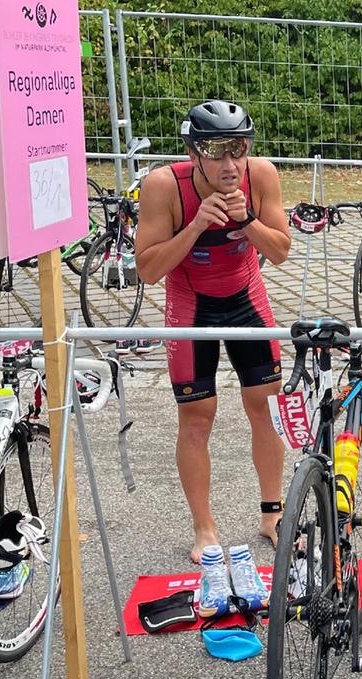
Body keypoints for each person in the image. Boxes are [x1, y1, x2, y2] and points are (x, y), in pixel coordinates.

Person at [133, 100, 288, 614]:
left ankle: (272, 512)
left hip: (246, 298)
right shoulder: (163, 186)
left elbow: (282, 249)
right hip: (190, 303)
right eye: (215, 151)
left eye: (238, 149)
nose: (229, 164)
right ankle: (204, 526)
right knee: (197, 418)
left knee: (264, 408)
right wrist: (197, 226)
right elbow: (148, 271)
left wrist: (246, 224)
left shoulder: (261, 176)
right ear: (192, 152)